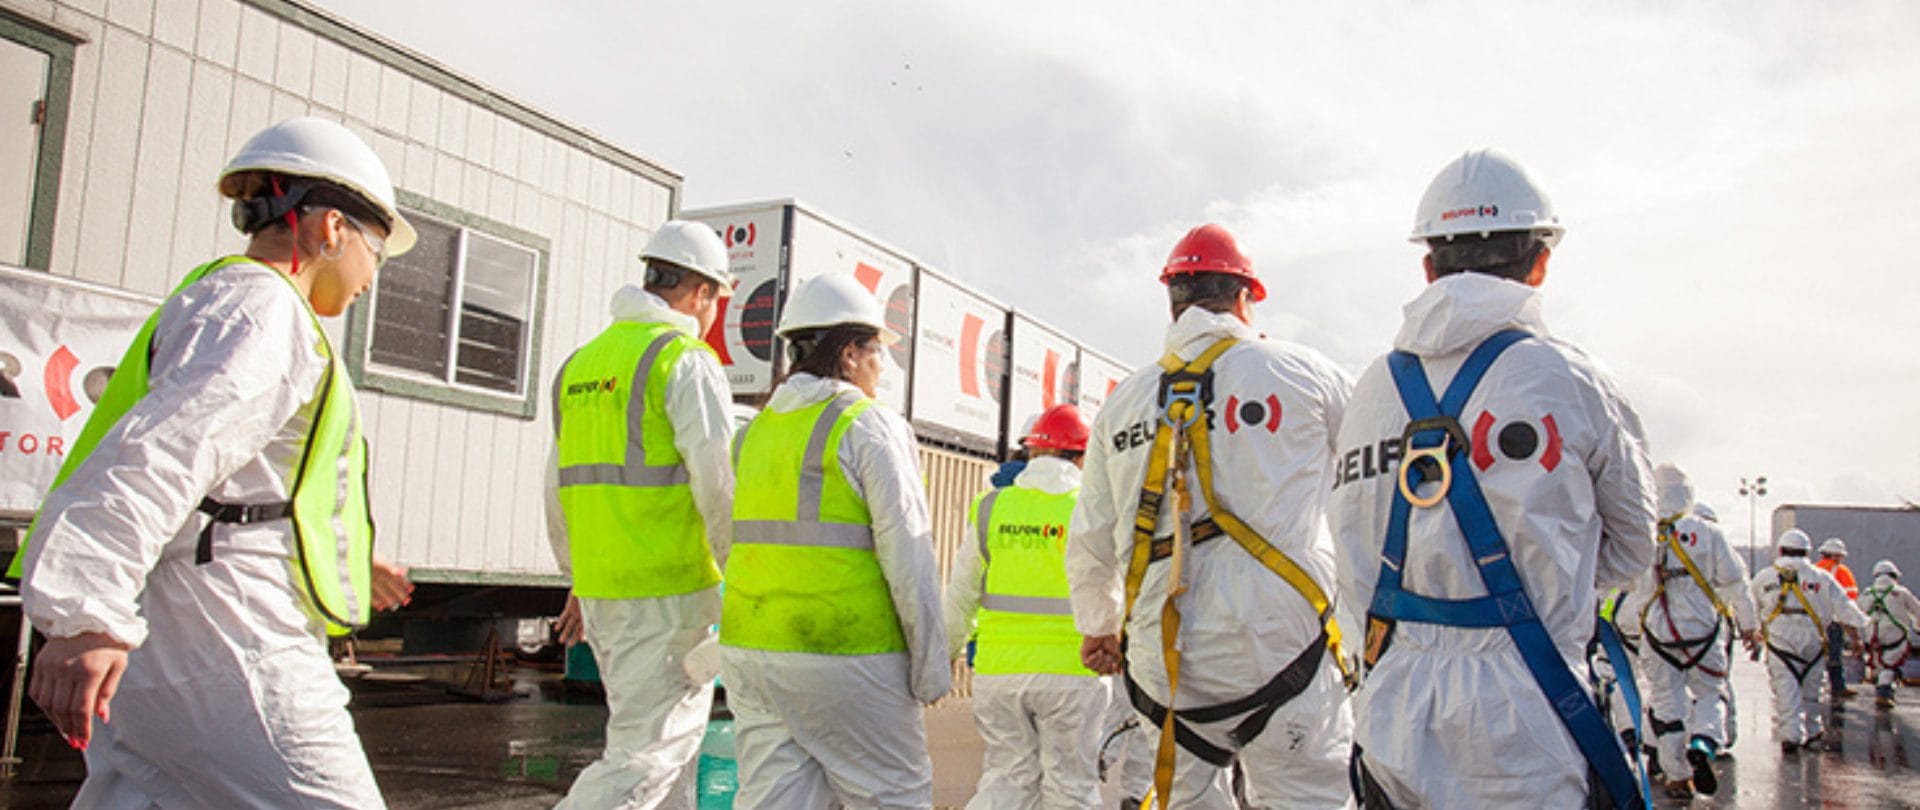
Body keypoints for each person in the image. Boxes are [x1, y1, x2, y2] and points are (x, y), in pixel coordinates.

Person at [15, 116, 416, 807]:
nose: (371, 278)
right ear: (329, 230)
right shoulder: (263, 309)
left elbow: (237, 475)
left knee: (147, 795)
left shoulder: (227, 298)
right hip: (224, 630)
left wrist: (355, 561)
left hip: (181, 607)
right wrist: (85, 614)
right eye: (376, 250)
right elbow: (161, 456)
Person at [1327, 149, 1656, 809]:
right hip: (1529, 722)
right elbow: (1632, 553)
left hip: (1393, 713)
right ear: (1540, 263)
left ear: (1427, 267)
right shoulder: (1572, 381)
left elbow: (1351, 554)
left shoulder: (1370, 391)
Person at [1065, 223, 1355, 809]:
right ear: (1246, 298)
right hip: (1281, 652)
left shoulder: (1122, 403)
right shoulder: (1303, 373)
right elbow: (1370, 489)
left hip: (1165, 669)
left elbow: (1091, 538)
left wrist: (1098, 623)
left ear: (1172, 304)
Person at [718, 274, 950, 807]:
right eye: (876, 352)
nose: (882, 366)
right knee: (893, 796)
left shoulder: (753, 434)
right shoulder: (868, 425)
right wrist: (930, 666)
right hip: (846, 655)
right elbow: (908, 555)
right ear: (849, 353)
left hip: (752, 651)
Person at [544, 220, 738, 809]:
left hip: (605, 594)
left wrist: (576, 578)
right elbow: (718, 485)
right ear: (702, 292)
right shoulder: (683, 360)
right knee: (647, 759)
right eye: (715, 301)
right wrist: (744, 576)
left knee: (665, 760)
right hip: (668, 597)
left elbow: (558, 490)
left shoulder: (581, 365)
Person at [943, 403, 1107, 809]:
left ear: (1032, 452)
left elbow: (961, 591)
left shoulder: (991, 507)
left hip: (999, 673)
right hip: (1074, 673)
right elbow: (1112, 589)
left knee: (1006, 778)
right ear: (1083, 455)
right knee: (1069, 786)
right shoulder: (1090, 508)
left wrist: (939, 655)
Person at [1614, 464, 1758, 799]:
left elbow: (1622, 584)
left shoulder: (1642, 533)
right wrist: (1750, 627)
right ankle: (1704, 743)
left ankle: (1677, 776)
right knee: (1711, 692)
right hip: (1703, 633)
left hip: (1656, 635)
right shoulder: (1708, 532)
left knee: (1666, 705)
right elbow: (1736, 582)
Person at [1752, 529, 1868, 753]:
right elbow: (1845, 609)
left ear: (1780, 550)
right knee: (1811, 691)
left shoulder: (1765, 577)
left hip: (1781, 643)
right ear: (1807, 551)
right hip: (1813, 642)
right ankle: (1813, 731)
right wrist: (1856, 637)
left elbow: (1750, 607)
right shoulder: (1822, 578)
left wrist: (1752, 633)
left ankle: (1791, 735)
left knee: (1787, 691)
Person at [1858, 560, 1920, 709]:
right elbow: (1917, 611)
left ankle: (1883, 688)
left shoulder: (1867, 593)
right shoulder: (1901, 592)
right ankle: (1884, 694)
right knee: (1889, 665)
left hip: (1872, 637)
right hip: (1895, 637)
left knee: (1880, 665)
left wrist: (1856, 637)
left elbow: (1856, 613)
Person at [1815, 537, 1861, 700]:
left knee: (1814, 655)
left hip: (1813, 621)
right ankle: (1837, 686)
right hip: (1833, 621)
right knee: (1834, 654)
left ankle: (1812, 686)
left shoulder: (1813, 570)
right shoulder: (1841, 573)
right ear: (1837, 556)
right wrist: (1855, 636)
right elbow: (1847, 606)